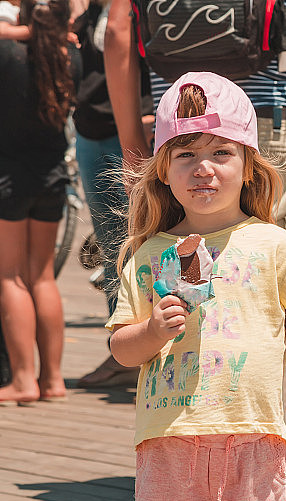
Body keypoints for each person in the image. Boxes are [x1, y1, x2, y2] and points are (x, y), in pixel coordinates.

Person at [80, 0, 286, 385]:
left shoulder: (149, 244)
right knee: (271, 284)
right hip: (271, 116)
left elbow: (117, 32)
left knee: (190, 257)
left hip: (179, 123)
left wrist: (133, 146)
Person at [107, 72, 286, 501]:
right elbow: (121, 350)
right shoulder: (149, 255)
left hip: (254, 438)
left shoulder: (272, 244)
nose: (203, 168)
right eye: (185, 154)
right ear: (164, 171)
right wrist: (151, 332)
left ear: (249, 165)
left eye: (221, 152)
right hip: (167, 442)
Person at [0, 0, 80, 404]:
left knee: (10, 276)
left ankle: (23, 380)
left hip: (10, 178)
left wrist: (17, 33)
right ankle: (53, 380)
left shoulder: (8, 52)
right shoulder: (71, 55)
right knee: (42, 277)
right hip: (52, 177)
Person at [72, 0, 153, 388]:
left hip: (132, 129)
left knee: (142, 242)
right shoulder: (91, 9)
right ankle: (121, 346)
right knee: (112, 245)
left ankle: (148, 348)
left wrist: (147, 118)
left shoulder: (136, 7)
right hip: (90, 130)